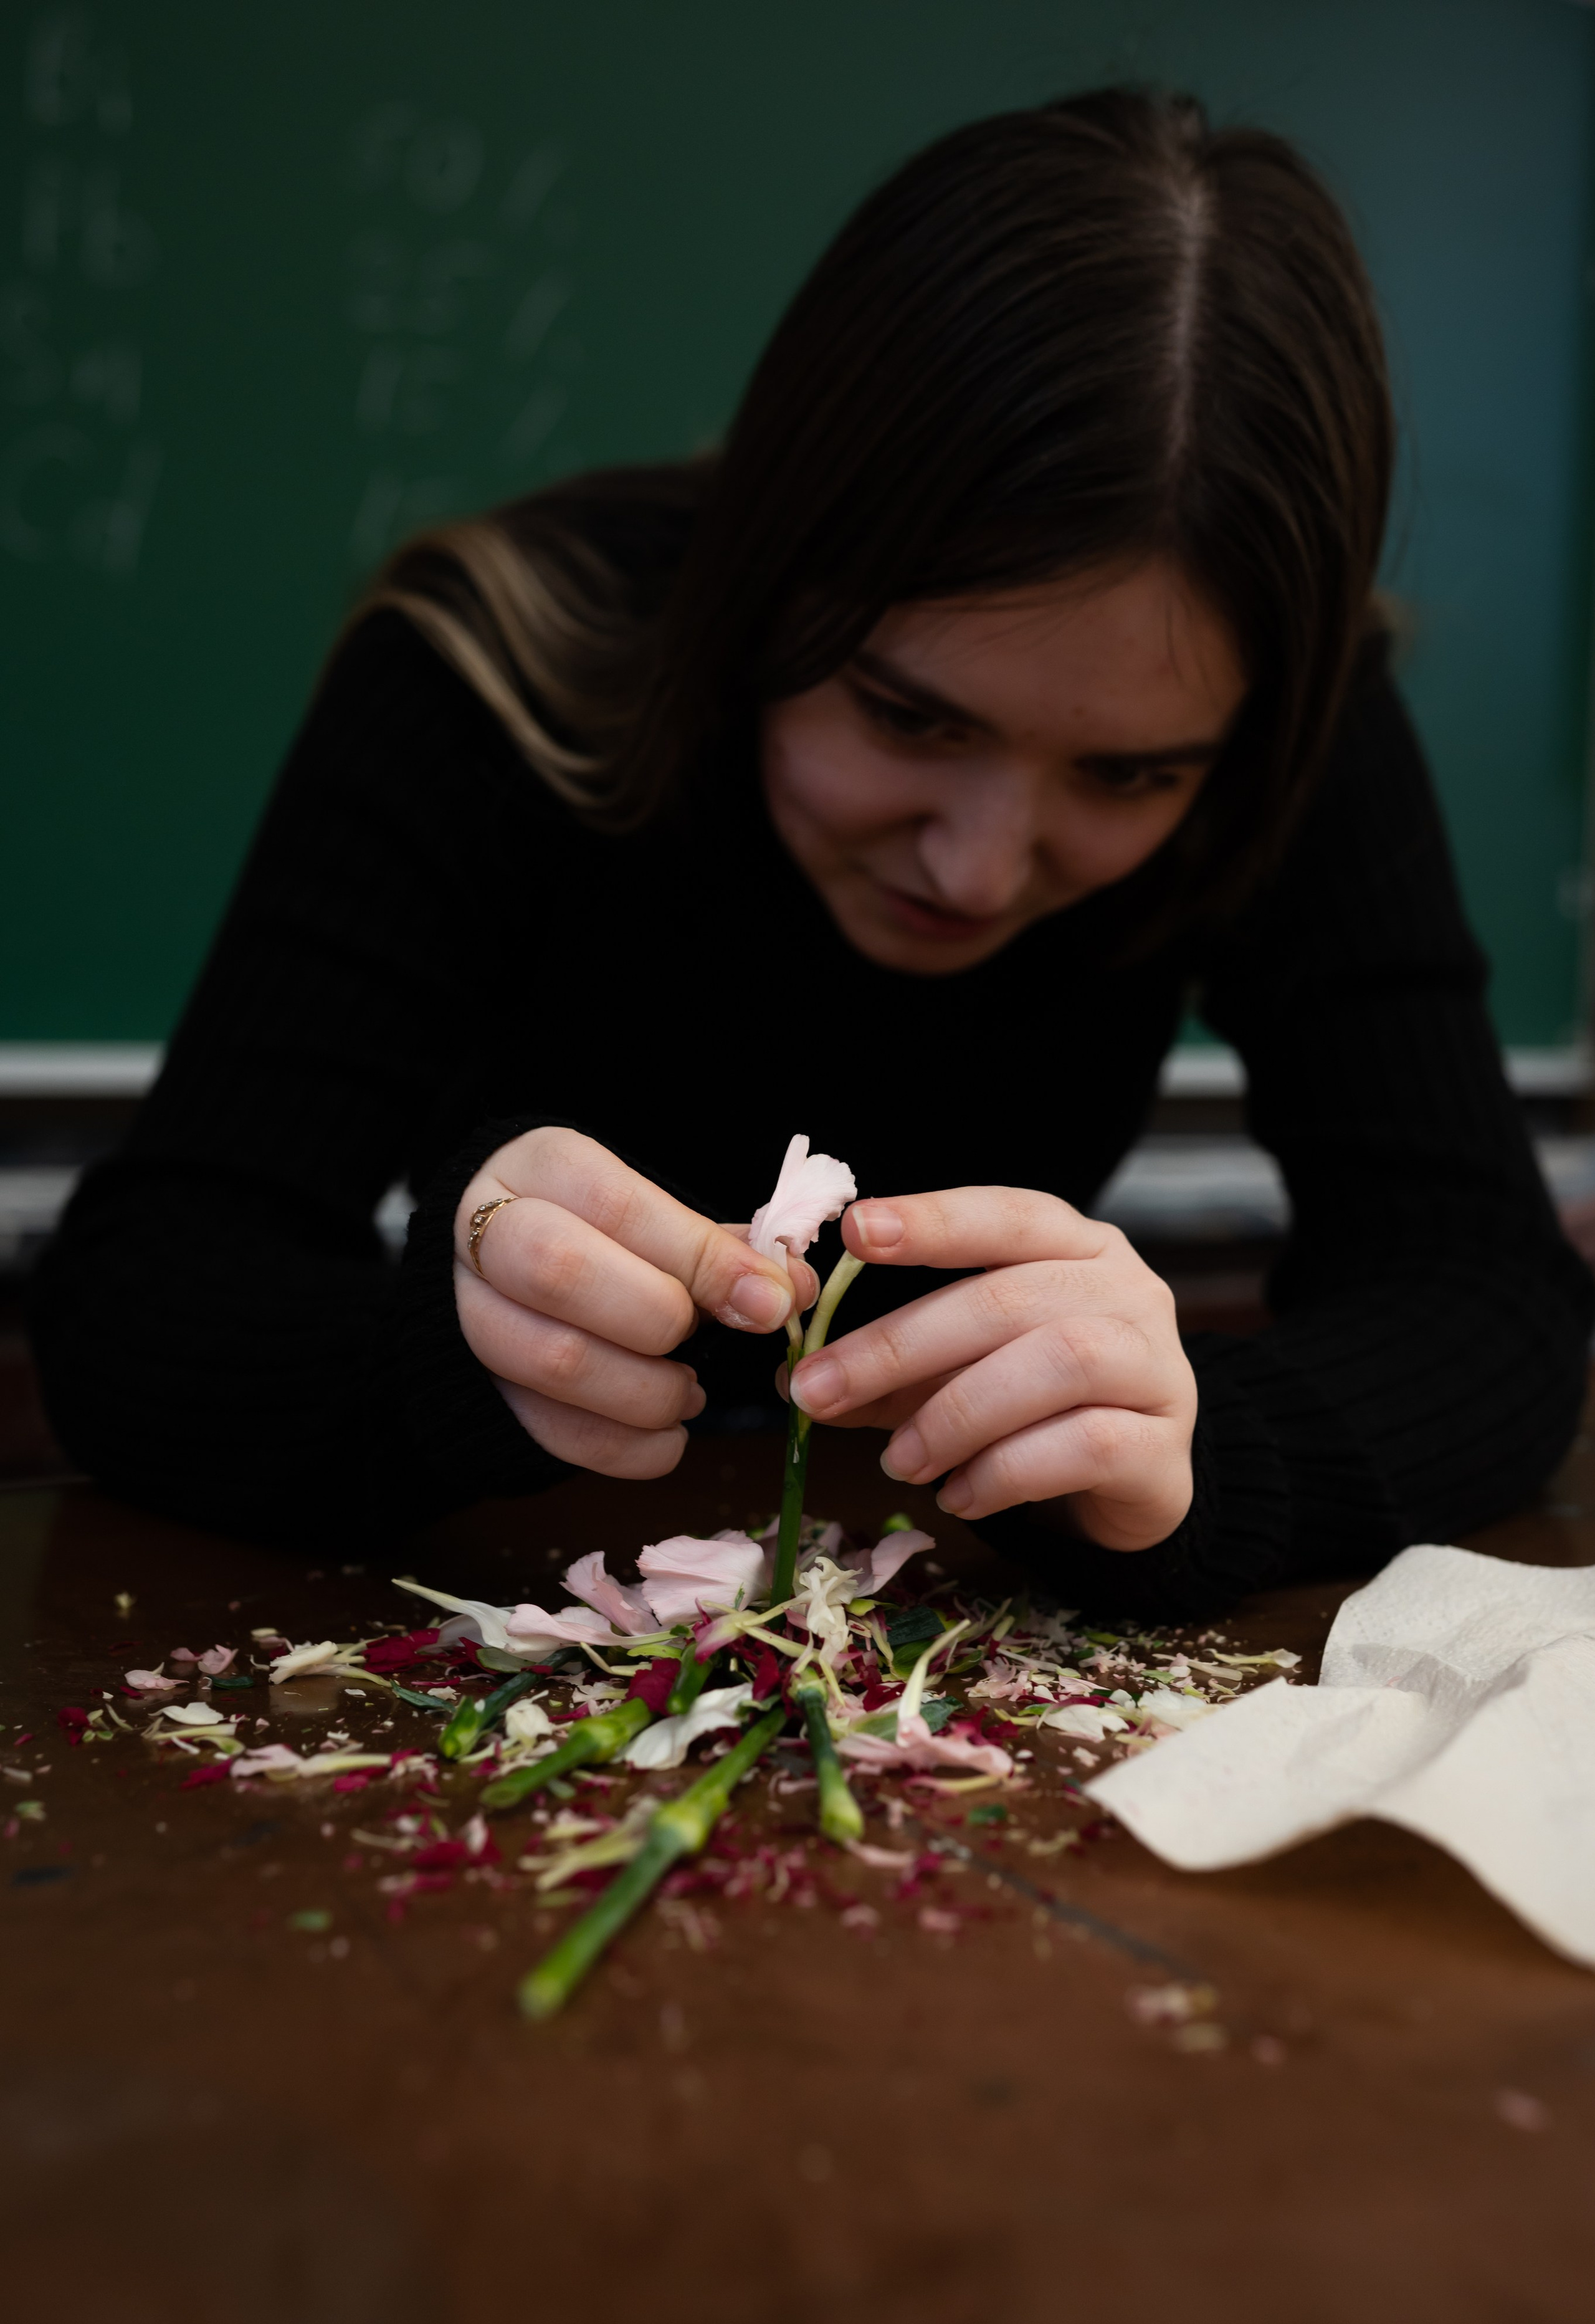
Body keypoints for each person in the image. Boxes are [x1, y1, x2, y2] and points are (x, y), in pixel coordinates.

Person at [29, 88, 1593, 1616]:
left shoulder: (1288, 735)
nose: (978, 870)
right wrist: (446, 1359)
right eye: (910, 719)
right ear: (765, 581)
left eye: (1128, 774)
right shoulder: (492, 671)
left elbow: (1486, 1309)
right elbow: (144, 1301)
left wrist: (1187, 1453)